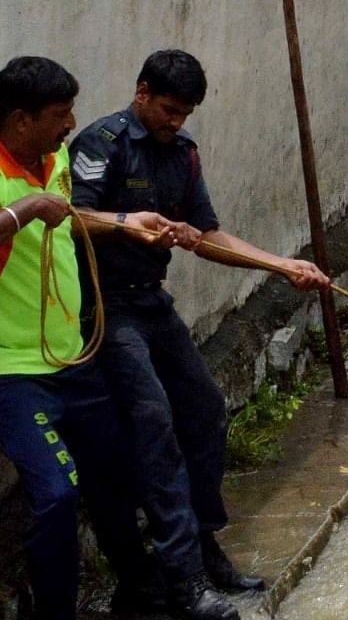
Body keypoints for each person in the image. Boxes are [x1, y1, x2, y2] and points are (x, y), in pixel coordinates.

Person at [69, 49, 327, 603]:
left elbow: (208, 234)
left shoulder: (182, 153)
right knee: (153, 421)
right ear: (141, 93)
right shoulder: (102, 144)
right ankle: (182, 575)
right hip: (105, 309)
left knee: (205, 408)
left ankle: (206, 544)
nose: (176, 121)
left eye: (185, 113)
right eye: (168, 109)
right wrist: (128, 226)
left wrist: (281, 266)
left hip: (152, 303)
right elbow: (68, 219)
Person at [0, 55, 238, 620]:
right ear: (20, 119)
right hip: (14, 371)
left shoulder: (53, 157)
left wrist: (127, 222)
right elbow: (41, 213)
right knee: (59, 494)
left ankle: (148, 585)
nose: (70, 124)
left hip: (73, 358)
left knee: (123, 470)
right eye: (60, 114)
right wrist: (26, 208)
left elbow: (74, 217)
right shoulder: (84, 151)